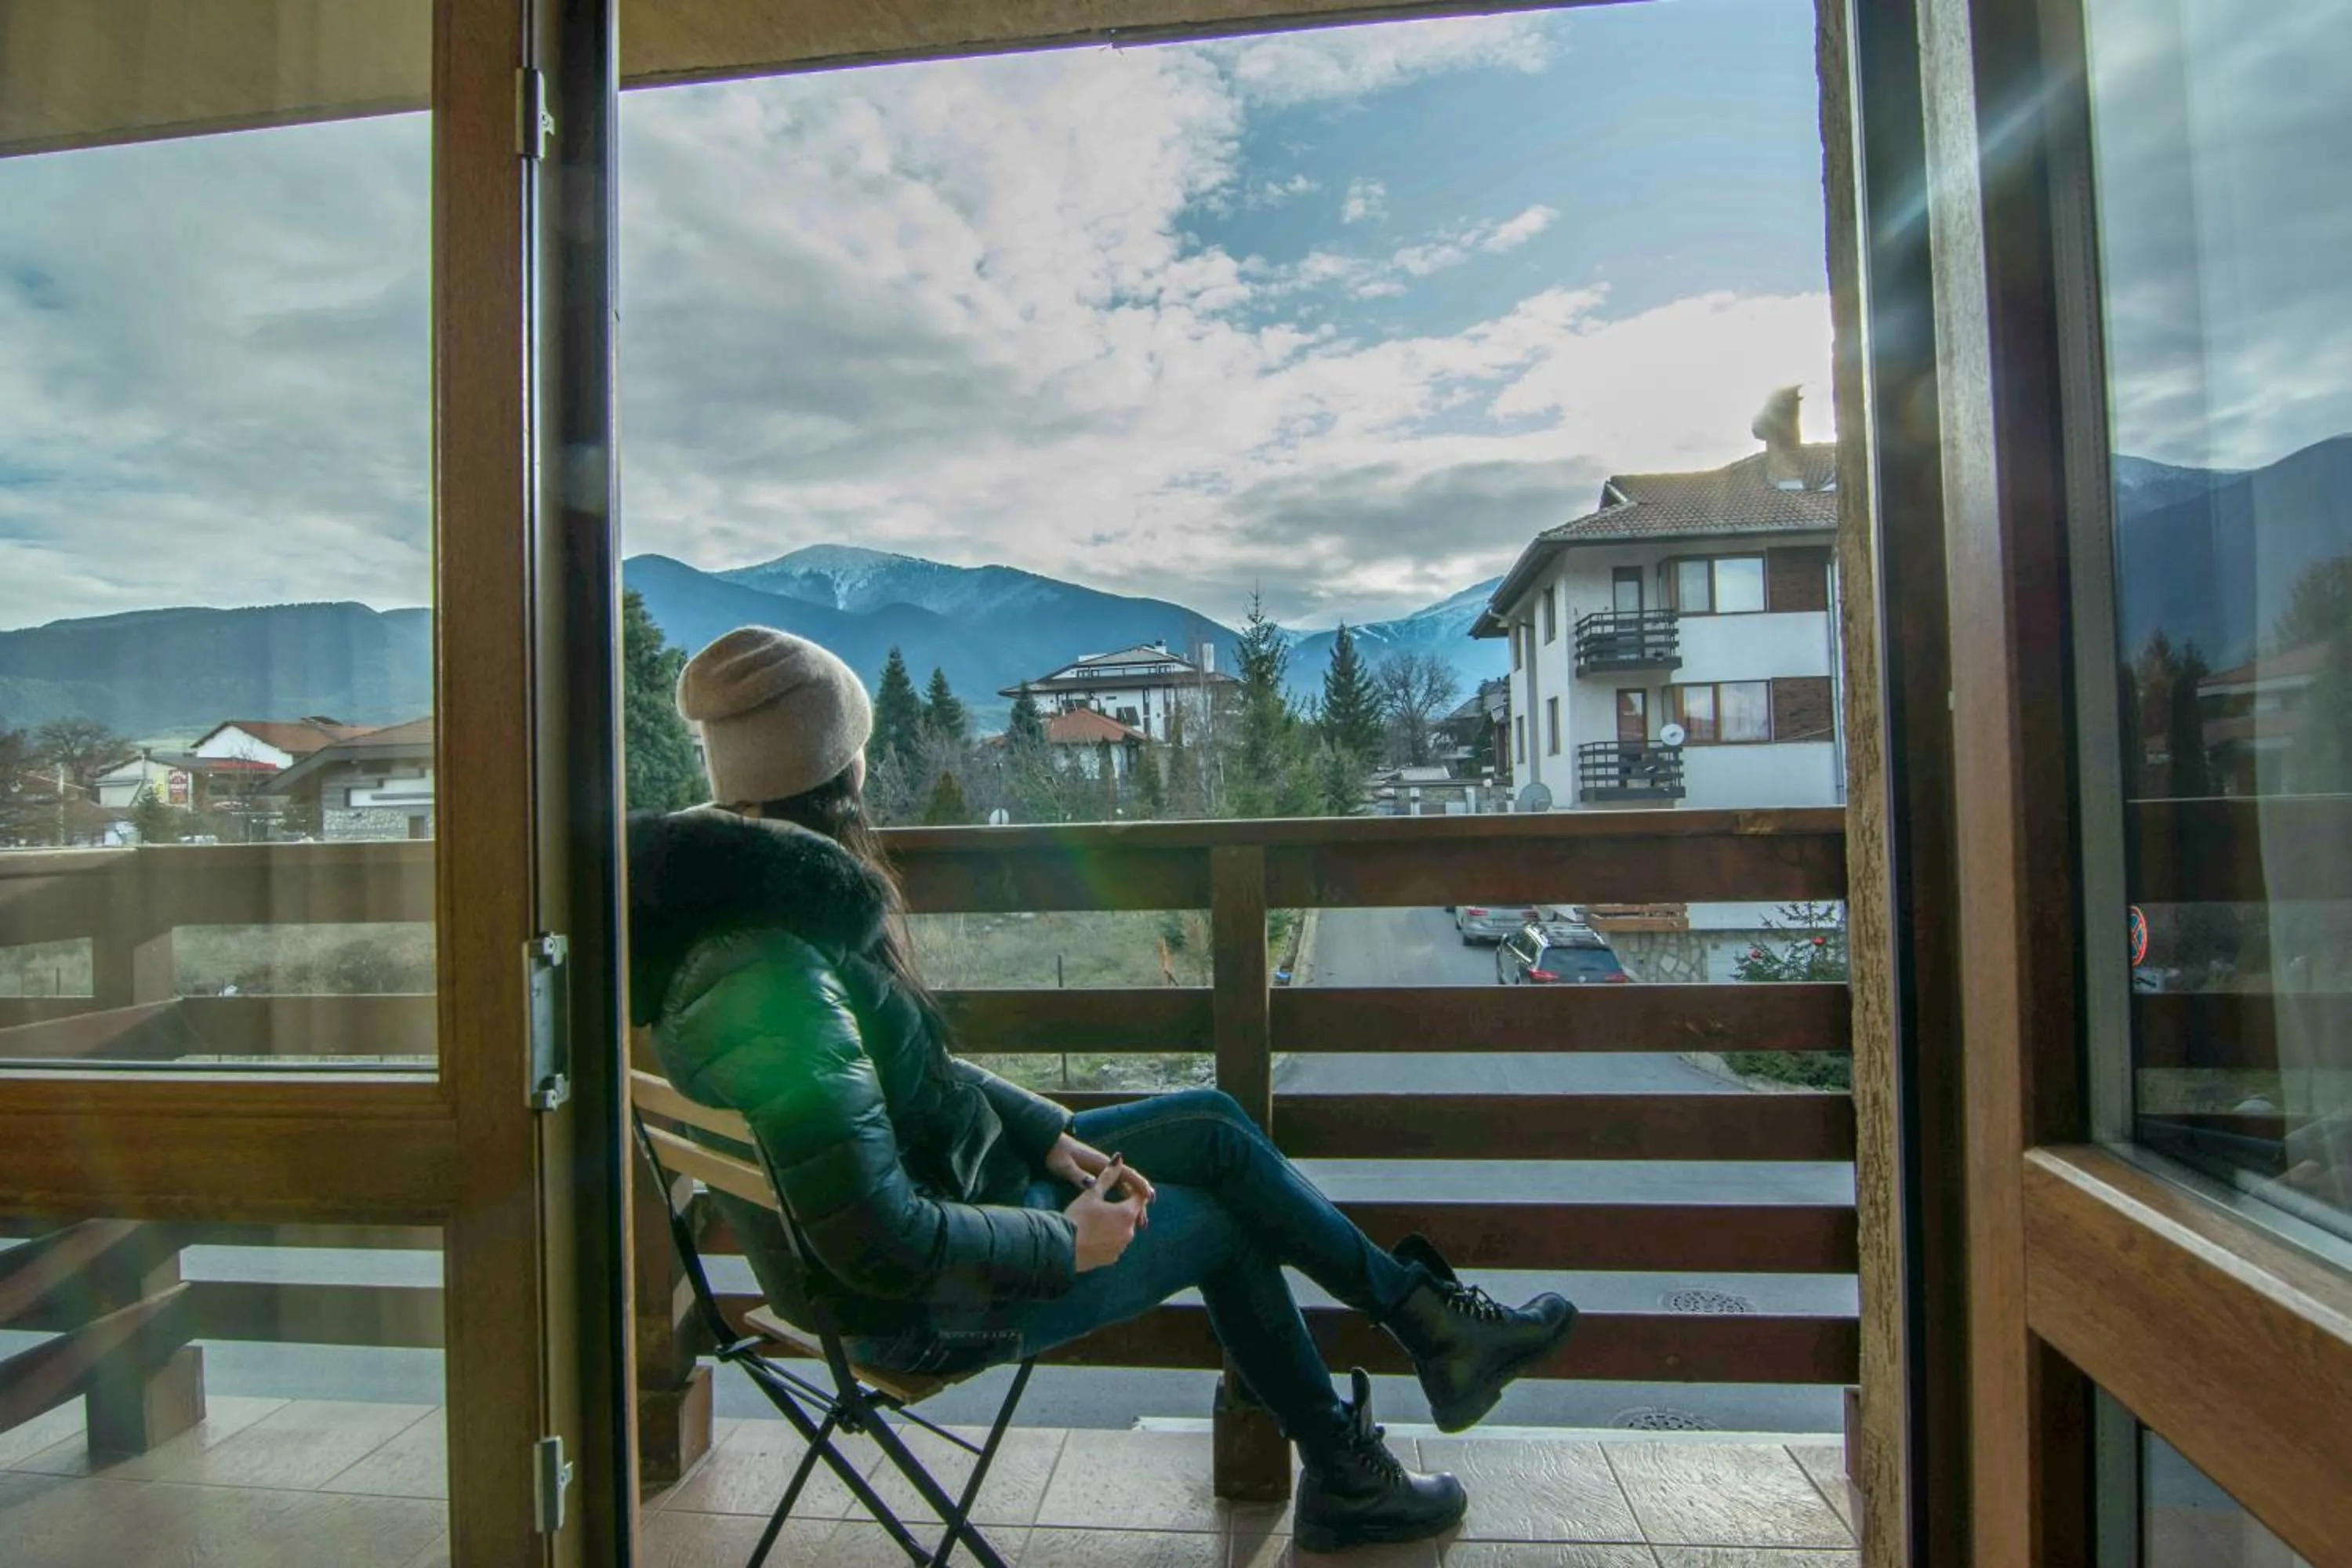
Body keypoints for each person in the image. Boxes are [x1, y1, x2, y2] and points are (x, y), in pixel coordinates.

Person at [628, 627, 1580, 1555]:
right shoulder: (774, 973)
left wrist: (1042, 1129)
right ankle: (1355, 1459)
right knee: (1225, 1221)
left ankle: (1425, 1326)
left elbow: (901, 1086)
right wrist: (1066, 1237)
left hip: (948, 1212)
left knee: (1211, 1123)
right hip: (920, 1304)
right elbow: (879, 1239)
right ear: (841, 773)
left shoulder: (741, 921)